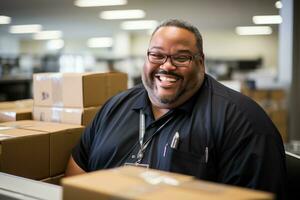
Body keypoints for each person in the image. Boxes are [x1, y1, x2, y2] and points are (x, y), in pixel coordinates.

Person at [66, 19, 286, 199]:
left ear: (201, 62)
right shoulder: (114, 107)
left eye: (181, 57)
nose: (167, 65)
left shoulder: (243, 121)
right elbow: (77, 169)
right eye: (157, 55)